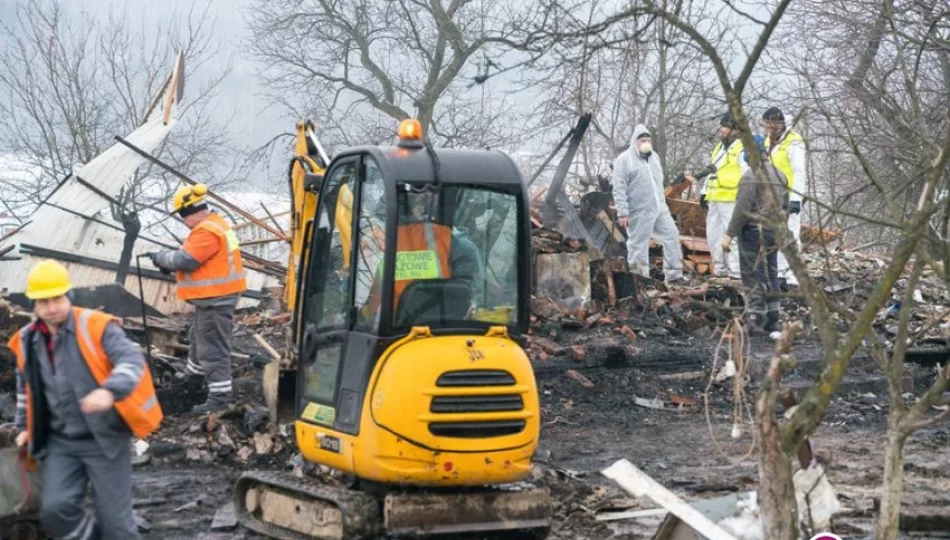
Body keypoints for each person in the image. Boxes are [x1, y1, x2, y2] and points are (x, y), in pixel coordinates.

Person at [10, 259, 162, 540]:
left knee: (116, 525)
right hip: (59, 442)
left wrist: (110, 390)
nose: (51, 307)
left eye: (57, 298)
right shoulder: (27, 340)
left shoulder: (96, 326)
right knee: (56, 511)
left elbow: (131, 361)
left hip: (104, 438)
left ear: (68, 296)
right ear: (34, 304)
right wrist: (22, 427)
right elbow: (24, 387)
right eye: (43, 302)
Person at [149, 183, 247, 413]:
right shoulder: (217, 225)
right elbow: (208, 264)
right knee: (197, 339)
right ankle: (193, 379)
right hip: (213, 298)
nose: (183, 222)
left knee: (211, 348)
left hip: (216, 299)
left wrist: (160, 258)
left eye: (182, 217)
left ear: (189, 211)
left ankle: (219, 399)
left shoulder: (206, 231)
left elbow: (187, 260)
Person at [360, 188, 484, 323]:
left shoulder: (383, 241)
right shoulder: (459, 246)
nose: (421, 196)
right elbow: (473, 303)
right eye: (415, 191)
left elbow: (370, 306)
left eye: (424, 190)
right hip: (441, 332)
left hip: (400, 333)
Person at [721, 136, 789, 334]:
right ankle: (773, 318)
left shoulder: (751, 176)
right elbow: (786, 206)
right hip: (774, 231)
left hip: (753, 231)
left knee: (753, 273)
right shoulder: (781, 175)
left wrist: (729, 234)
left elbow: (742, 209)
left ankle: (756, 319)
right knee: (771, 272)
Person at [611, 124, 686, 285]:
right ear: (635, 141)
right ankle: (640, 279)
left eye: (647, 140)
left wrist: (662, 203)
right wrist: (623, 213)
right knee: (638, 244)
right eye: (642, 140)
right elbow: (619, 188)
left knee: (672, 236)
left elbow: (658, 182)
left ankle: (674, 276)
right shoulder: (624, 160)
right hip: (638, 210)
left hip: (659, 207)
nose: (645, 142)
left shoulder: (654, 158)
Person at [762, 107, 808, 289]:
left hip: (787, 195)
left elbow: (799, 171)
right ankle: (779, 272)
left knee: (790, 235)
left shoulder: (794, 142)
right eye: (768, 124)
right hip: (771, 195)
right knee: (774, 235)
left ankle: (793, 275)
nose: (770, 128)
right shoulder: (768, 141)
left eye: (774, 124)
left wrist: (796, 198)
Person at [699, 113, 748, 280]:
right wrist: (704, 192)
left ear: (735, 130)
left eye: (725, 127)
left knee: (732, 237)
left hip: (732, 199)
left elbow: (747, 175)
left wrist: (745, 198)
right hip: (715, 198)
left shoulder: (742, 149)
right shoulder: (720, 147)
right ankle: (720, 271)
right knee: (713, 236)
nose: (722, 130)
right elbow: (713, 171)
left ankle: (735, 273)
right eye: (722, 126)